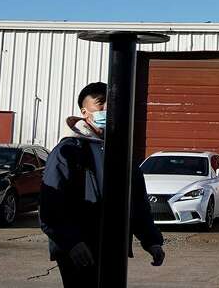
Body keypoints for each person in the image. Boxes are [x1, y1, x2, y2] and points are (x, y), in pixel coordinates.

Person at [38, 82, 165, 286]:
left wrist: (152, 241)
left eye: (111, 104)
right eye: (100, 104)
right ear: (84, 112)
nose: (107, 109)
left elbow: (137, 202)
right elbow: (50, 206)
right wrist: (72, 243)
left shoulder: (121, 152)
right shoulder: (68, 151)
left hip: (114, 247)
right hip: (79, 251)